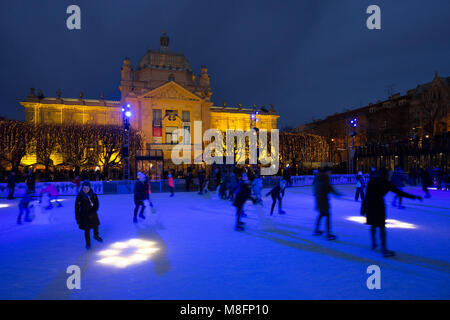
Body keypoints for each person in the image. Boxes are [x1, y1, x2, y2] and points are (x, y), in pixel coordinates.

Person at [361, 168, 421, 257]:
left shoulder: (373, 181)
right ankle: (384, 250)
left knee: (373, 225)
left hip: (371, 206)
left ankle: (374, 243)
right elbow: (399, 192)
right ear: (385, 175)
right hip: (379, 207)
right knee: (381, 227)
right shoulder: (385, 183)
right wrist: (414, 197)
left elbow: (367, 196)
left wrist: (363, 208)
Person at [313, 167, 340, 240]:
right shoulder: (325, 178)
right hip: (323, 200)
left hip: (319, 199)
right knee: (327, 215)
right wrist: (338, 194)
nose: (330, 174)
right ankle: (328, 234)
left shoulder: (317, 177)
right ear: (327, 172)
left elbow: (315, 189)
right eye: (330, 172)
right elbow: (330, 188)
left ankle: (316, 230)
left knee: (321, 214)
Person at [75, 181, 102, 249]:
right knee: (87, 230)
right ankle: (88, 243)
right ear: (82, 188)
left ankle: (96, 235)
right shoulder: (79, 196)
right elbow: (76, 208)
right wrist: (77, 218)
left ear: (89, 188)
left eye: (87, 188)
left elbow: (96, 205)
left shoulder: (93, 195)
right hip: (84, 215)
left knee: (96, 225)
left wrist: (92, 212)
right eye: (84, 188)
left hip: (92, 214)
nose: (86, 190)